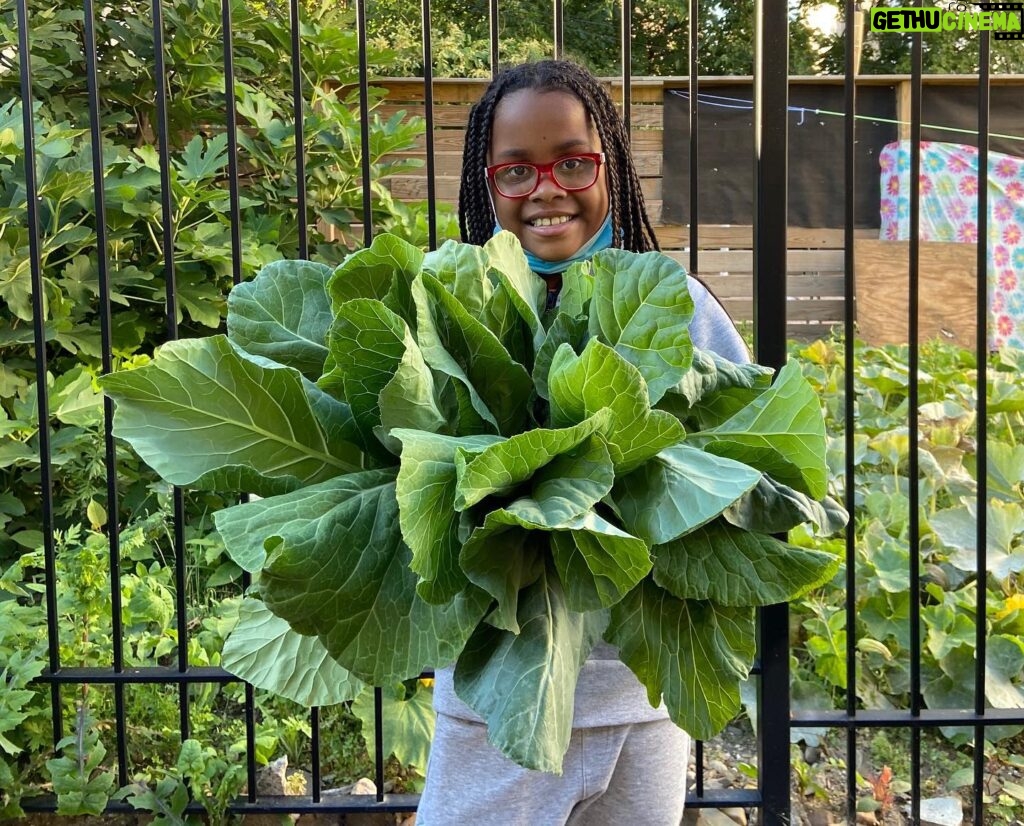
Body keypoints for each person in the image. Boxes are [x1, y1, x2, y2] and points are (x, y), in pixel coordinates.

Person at [416, 59, 748, 826]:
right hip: (498, 700)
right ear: (484, 182)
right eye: (515, 172)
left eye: (573, 162)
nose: (548, 189)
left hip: (639, 697)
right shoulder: (450, 308)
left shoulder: (674, 303)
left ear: (612, 169)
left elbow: (746, 466)